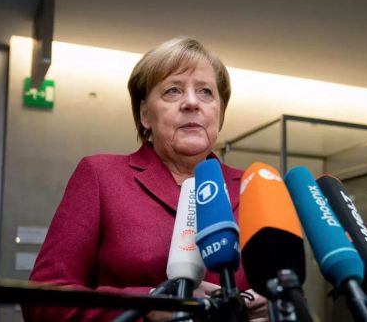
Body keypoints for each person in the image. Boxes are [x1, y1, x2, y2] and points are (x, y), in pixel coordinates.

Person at [23, 37, 267, 321]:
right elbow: (42, 300)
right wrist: (147, 304)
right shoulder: (101, 176)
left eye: (205, 92)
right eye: (173, 91)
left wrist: (270, 307)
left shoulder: (253, 188)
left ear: (220, 112)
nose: (191, 102)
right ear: (144, 114)